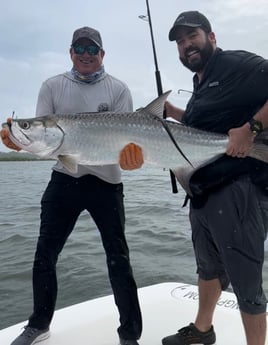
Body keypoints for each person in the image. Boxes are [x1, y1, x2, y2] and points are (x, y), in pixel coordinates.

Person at [120, 10, 268, 345]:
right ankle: (203, 330)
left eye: (193, 36)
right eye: (181, 42)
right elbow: (206, 131)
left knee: (245, 277)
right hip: (204, 191)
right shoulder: (199, 83)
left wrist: (251, 129)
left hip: (239, 188)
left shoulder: (235, 64)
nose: (187, 45)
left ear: (212, 37)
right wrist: (175, 114)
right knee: (209, 267)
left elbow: (236, 133)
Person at [1, 26, 142, 345]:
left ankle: (130, 335)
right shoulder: (52, 86)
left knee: (118, 257)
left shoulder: (118, 89)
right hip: (65, 178)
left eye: (93, 49)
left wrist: (132, 157)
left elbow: (128, 142)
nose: (86, 55)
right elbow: (43, 140)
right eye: (80, 48)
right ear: (70, 52)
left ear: (102, 55)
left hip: (107, 181)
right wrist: (19, 141)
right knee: (44, 253)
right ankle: (38, 325)